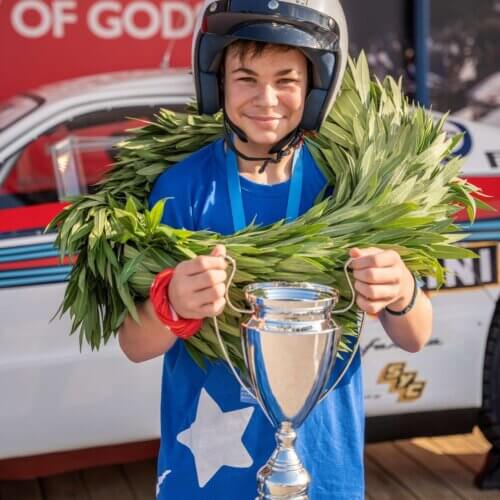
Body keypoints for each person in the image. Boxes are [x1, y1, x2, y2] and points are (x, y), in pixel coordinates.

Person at [118, 1, 433, 498]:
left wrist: (401, 289)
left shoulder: (350, 186)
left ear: (315, 87)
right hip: (207, 478)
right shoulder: (181, 190)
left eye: (286, 80)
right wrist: (172, 304)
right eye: (246, 78)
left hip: (323, 474)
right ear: (217, 81)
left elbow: (415, 336)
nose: (266, 99)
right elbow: (134, 344)